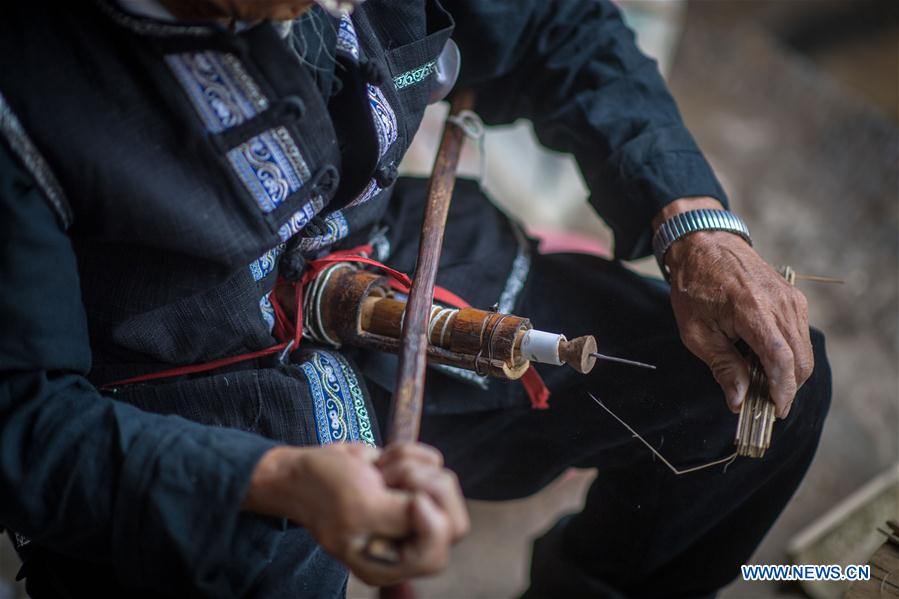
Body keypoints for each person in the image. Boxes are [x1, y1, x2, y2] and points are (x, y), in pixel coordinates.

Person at [0, 0, 831, 597]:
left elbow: (556, 27)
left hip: (387, 254)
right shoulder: (26, 83)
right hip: (180, 383)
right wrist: (281, 479)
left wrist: (695, 226)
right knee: (268, 565)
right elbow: (23, 419)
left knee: (749, 389)